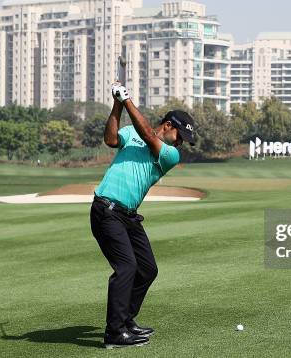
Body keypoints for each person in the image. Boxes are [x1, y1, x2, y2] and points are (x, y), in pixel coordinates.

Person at [90, 82, 196, 349]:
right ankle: (114, 332)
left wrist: (127, 100)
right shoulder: (131, 133)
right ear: (169, 125)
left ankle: (125, 320)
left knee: (148, 269)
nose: (182, 142)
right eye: (181, 135)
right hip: (106, 210)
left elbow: (149, 134)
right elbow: (111, 139)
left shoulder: (170, 154)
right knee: (127, 268)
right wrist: (117, 103)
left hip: (128, 217)